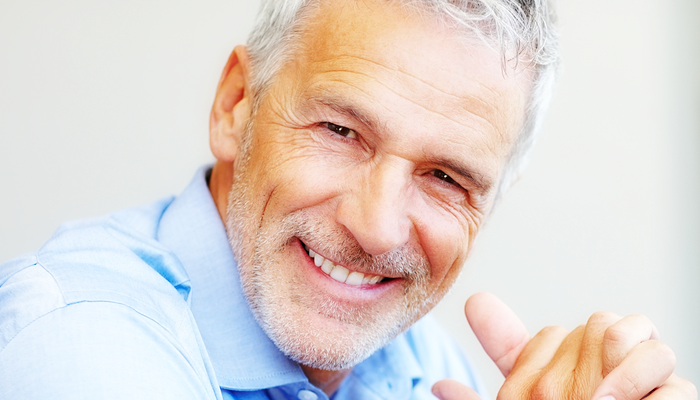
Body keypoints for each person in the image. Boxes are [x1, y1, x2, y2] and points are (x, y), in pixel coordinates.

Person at [0, 0, 695, 399]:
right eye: (339, 130)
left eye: (446, 178)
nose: (375, 226)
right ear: (237, 106)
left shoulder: (424, 364)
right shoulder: (79, 346)